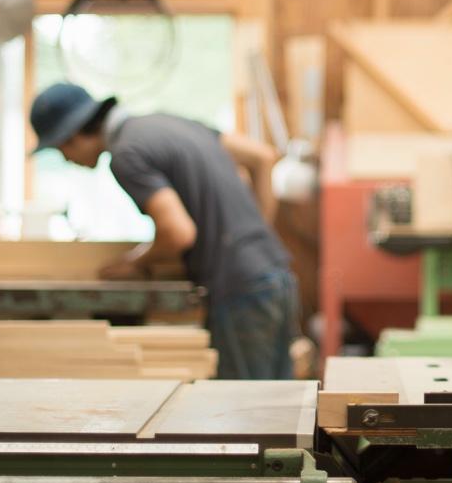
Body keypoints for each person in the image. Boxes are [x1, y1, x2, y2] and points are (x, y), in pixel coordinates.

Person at [30, 83, 299, 380]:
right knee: (275, 409)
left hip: (239, 290)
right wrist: (254, 236)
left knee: (249, 412)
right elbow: (261, 157)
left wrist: (133, 262)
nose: (67, 159)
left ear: (75, 134)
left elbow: (178, 232)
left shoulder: (126, 154)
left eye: (61, 149)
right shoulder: (167, 123)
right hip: (274, 273)